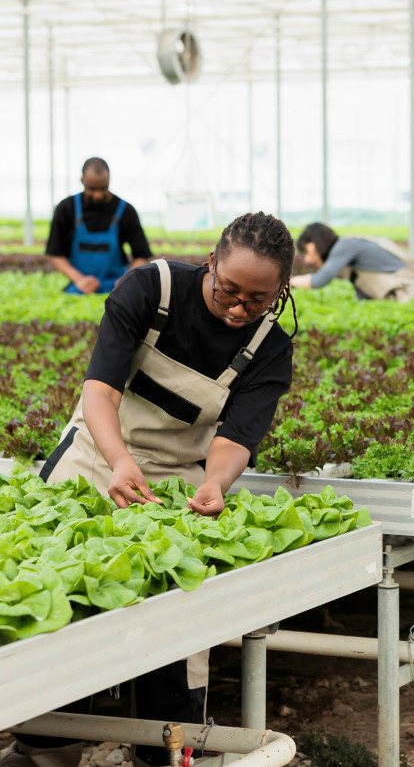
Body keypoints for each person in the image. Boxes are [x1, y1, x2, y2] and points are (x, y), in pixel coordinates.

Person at [7, 212, 297, 767]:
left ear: (279, 291)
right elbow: (99, 393)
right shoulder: (150, 289)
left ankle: (164, 752)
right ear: (209, 262)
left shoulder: (270, 346)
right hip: (96, 456)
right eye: (228, 290)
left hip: (178, 476)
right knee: (60, 598)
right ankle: (45, 747)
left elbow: (236, 438)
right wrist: (118, 460)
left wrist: (215, 482)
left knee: (180, 616)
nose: (238, 308)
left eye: (257, 299)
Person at [45, 157, 153, 294]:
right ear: (82, 180)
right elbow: (55, 254)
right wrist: (79, 279)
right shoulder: (67, 208)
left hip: (117, 287)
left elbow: (142, 255)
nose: (98, 195)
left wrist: (126, 281)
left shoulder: (126, 210)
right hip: (80, 287)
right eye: (91, 189)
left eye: (103, 188)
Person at [290, 222, 414, 301]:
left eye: (306, 251)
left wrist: (289, 283)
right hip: (405, 292)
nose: (307, 260)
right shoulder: (345, 247)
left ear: (317, 242)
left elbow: (320, 280)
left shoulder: (344, 246)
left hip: (409, 292)